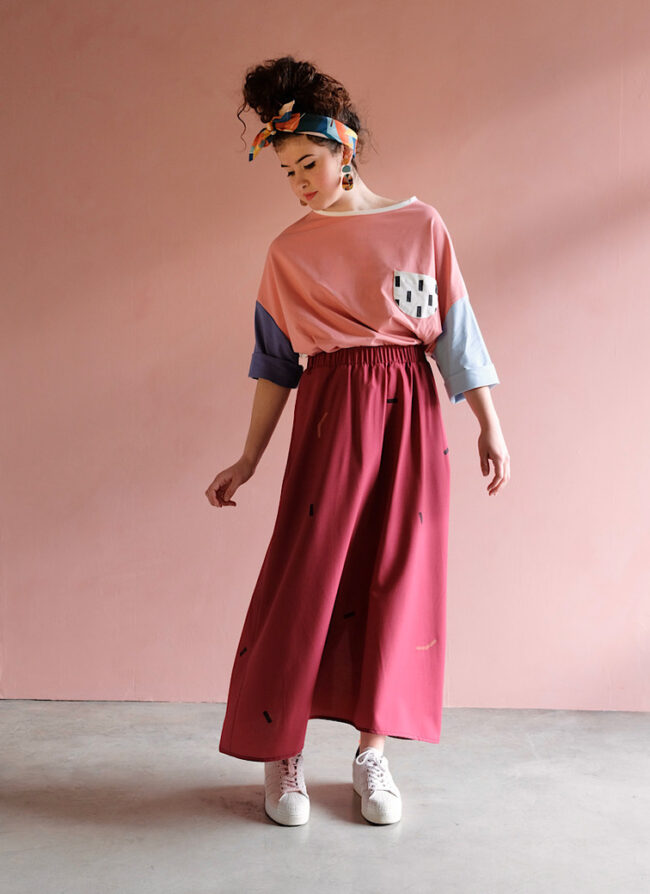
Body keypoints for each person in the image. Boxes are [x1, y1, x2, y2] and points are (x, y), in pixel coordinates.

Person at [205, 55, 510, 827]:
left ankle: (373, 754)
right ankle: (282, 751)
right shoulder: (289, 252)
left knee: (396, 577)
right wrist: (249, 458)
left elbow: (454, 333)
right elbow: (275, 365)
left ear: (344, 149)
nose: (299, 183)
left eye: (308, 165)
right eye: (287, 172)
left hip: (412, 414)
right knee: (308, 579)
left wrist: (489, 424)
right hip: (332, 412)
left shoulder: (421, 226)